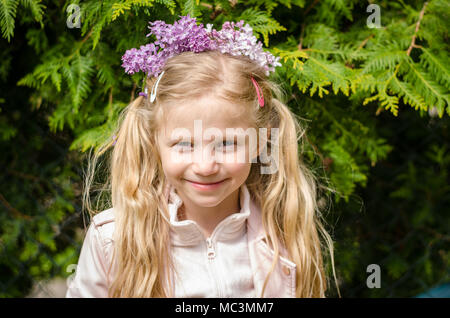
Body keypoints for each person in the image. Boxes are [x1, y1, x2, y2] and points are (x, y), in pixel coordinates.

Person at [66, 15, 338, 298]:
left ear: (260, 141)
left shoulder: (285, 232)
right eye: (184, 144)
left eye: (226, 143)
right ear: (154, 142)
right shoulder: (115, 239)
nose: (205, 166)